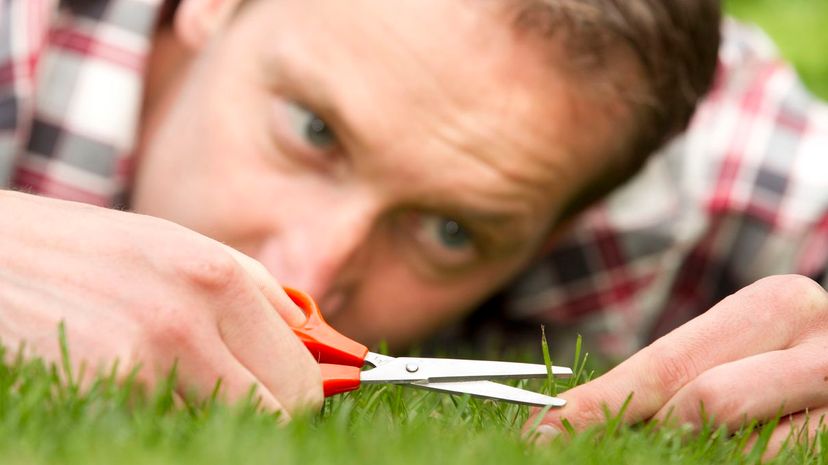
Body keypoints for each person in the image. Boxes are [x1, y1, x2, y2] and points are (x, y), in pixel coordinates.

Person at [0, 0, 825, 453]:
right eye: (314, 131)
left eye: (450, 231)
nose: (310, 275)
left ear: (572, 222)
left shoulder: (674, 159)